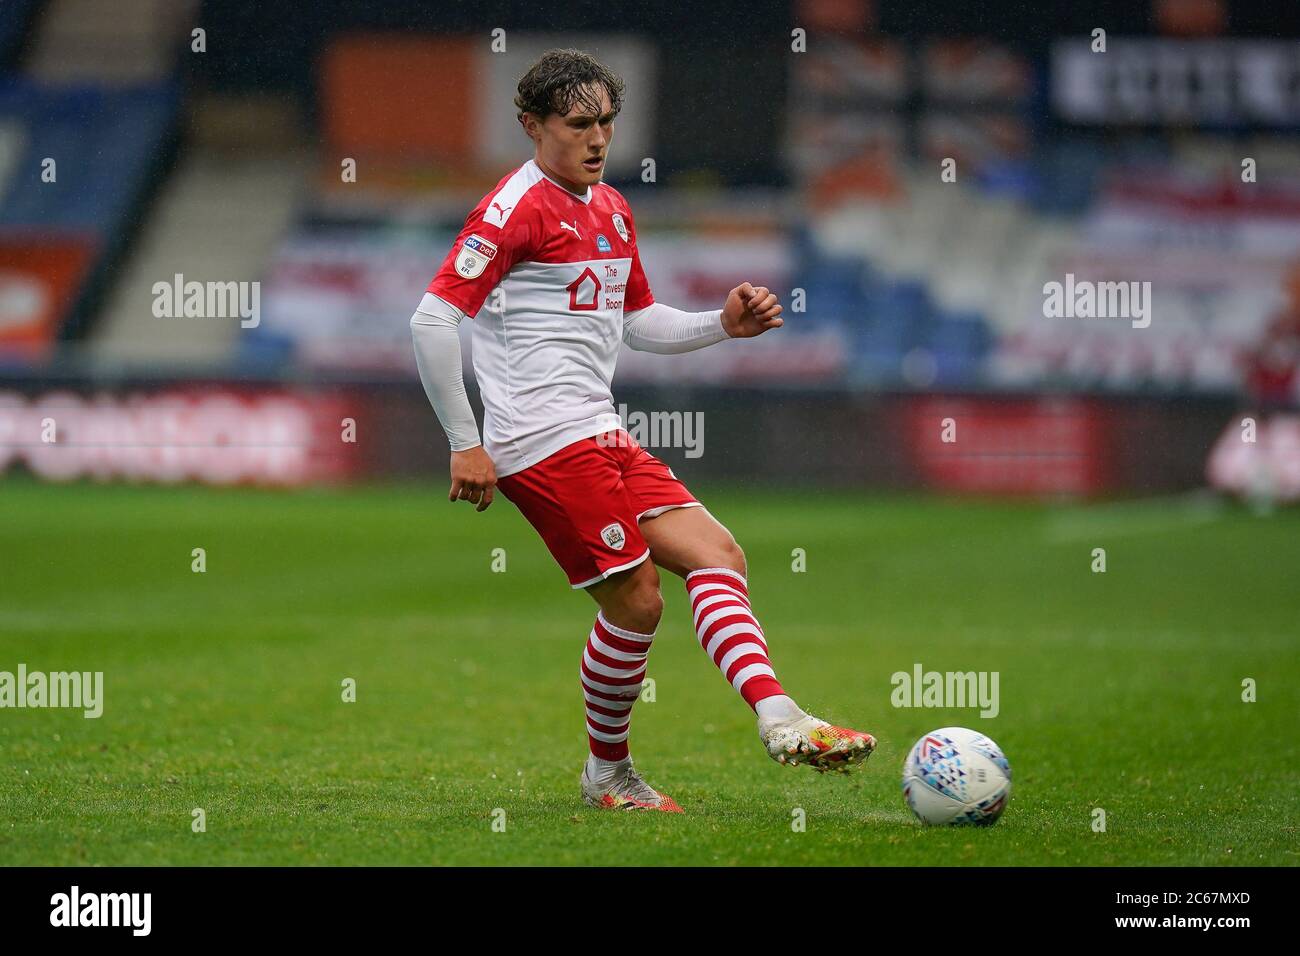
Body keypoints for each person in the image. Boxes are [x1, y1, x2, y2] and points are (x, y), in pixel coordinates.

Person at [410, 49, 875, 812]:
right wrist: (467, 440)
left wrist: (721, 326)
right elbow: (433, 319)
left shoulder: (612, 208)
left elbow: (637, 322)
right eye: (579, 124)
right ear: (533, 124)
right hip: (540, 440)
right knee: (638, 602)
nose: (598, 139)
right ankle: (611, 775)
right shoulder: (511, 210)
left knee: (719, 553)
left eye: (608, 123)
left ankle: (783, 720)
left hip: (599, 429)